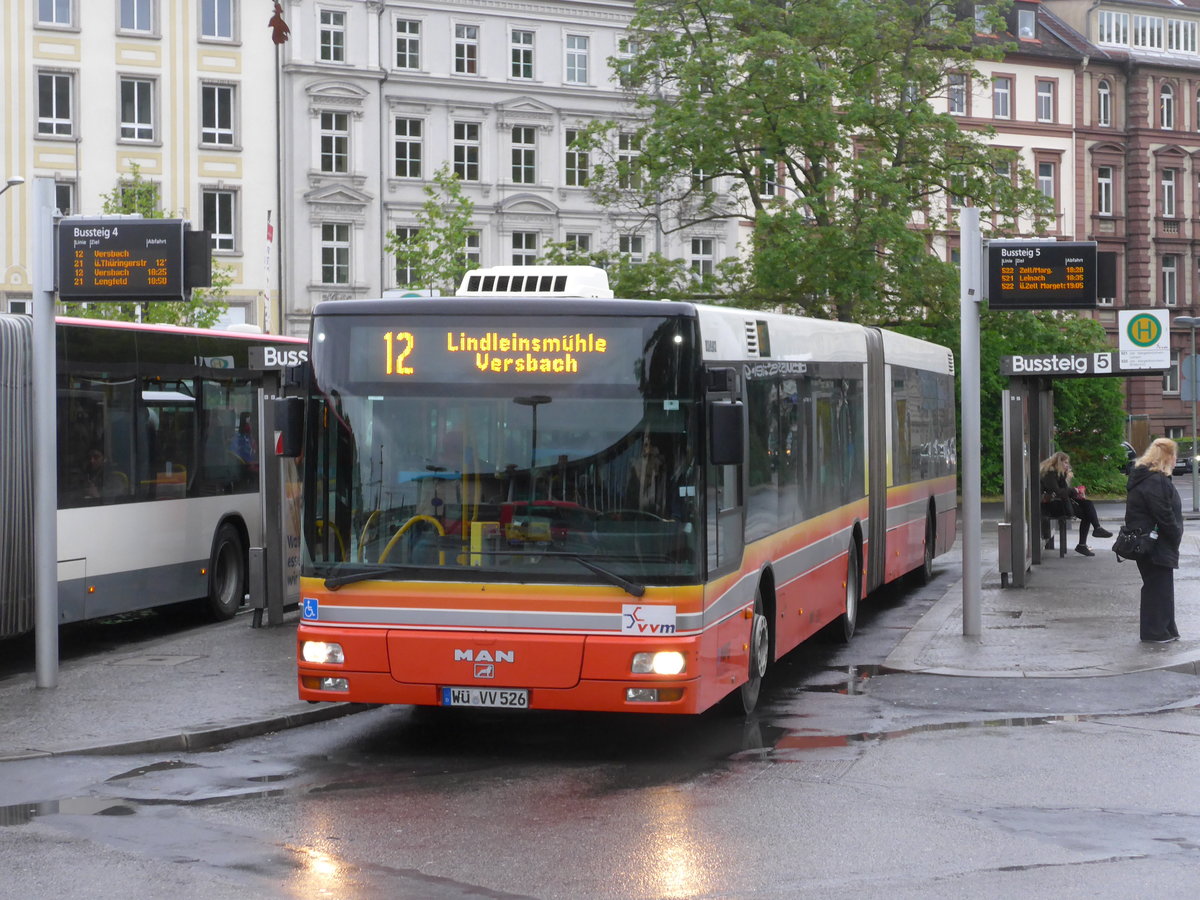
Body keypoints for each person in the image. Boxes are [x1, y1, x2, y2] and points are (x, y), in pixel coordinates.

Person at [1125, 437, 1183, 643]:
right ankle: (1155, 632)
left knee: (1161, 586)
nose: (1176, 459)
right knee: (1157, 587)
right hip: (1156, 543)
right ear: (1166, 457)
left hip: (1152, 542)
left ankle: (1166, 629)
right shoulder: (1154, 481)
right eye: (1174, 455)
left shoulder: (1148, 478)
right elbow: (1164, 514)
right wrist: (1175, 534)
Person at [1039, 451, 1112, 556]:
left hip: (1060, 503)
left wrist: (1076, 491)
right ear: (1058, 463)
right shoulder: (1049, 474)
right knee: (1087, 514)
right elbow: (1059, 492)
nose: (1067, 465)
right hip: (1052, 506)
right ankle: (1087, 540)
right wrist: (1074, 490)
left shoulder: (1058, 474)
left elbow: (1064, 491)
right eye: (1065, 463)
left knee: (1087, 504)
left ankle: (1096, 529)